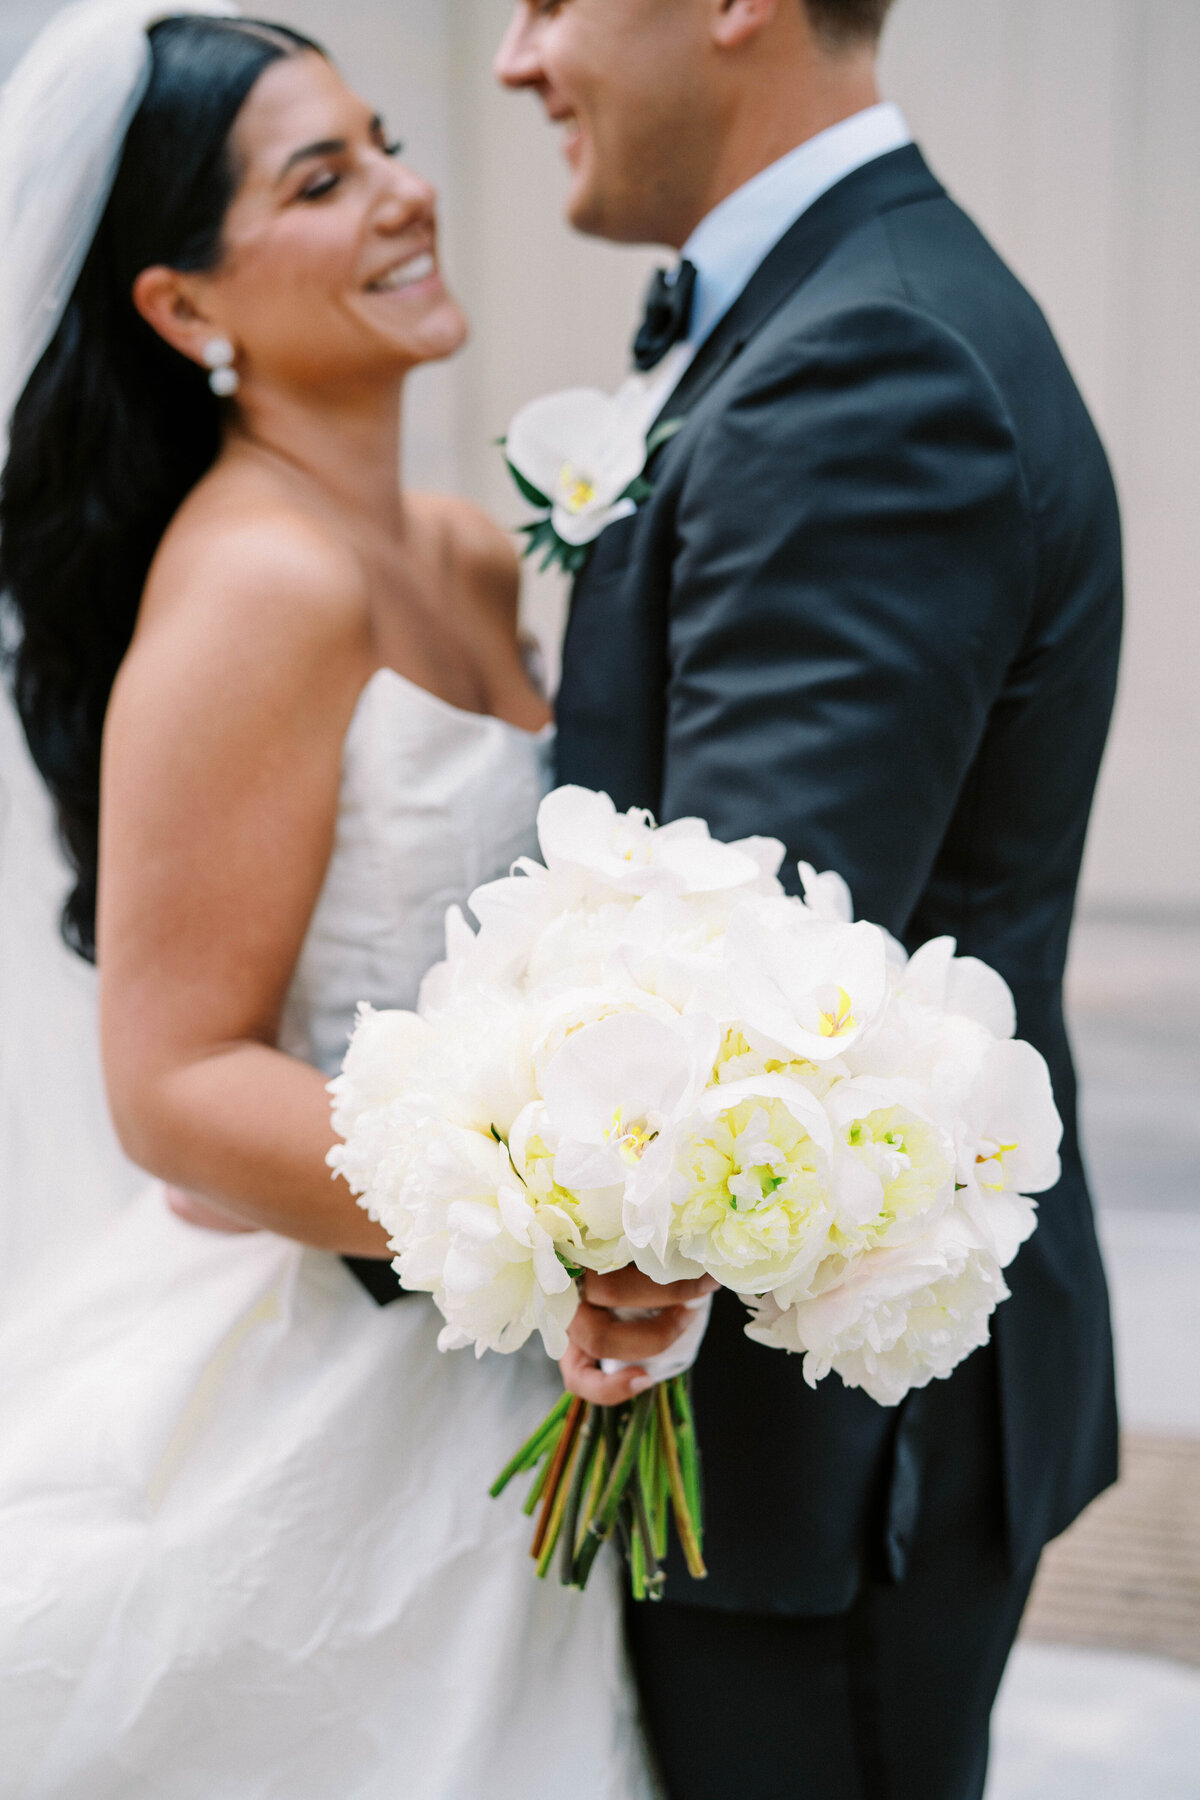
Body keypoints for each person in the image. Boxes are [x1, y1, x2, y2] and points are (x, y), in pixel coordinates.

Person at [0, 6, 659, 1795]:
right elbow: (174, 1079)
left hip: (512, 1377)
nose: (404, 192)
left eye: (381, 140)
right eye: (321, 177)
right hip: (345, 1372)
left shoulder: (454, 543)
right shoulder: (255, 589)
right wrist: (552, 1220)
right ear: (185, 308)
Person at [494, 1, 1122, 1796]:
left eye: (546, 1)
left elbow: (742, 992)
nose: (515, 58)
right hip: (805, 1433)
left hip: (825, 1454)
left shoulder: (869, 365)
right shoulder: (845, 312)